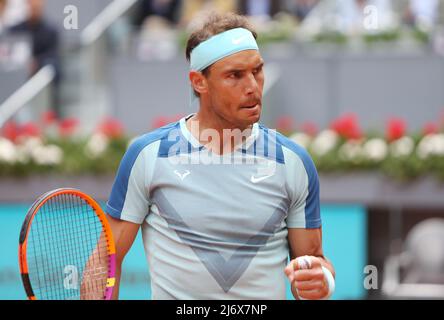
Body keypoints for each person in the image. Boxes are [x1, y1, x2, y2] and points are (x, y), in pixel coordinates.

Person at [105, 12, 335, 300]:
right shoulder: (147, 156)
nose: (252, 86)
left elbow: (313, 262)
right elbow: (104, 263)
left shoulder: (293, 162)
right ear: (199, 82)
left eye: (257, 70)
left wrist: (321, 281)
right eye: (235, 75)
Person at [8, 0, 61, 116]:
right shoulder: (15, 30)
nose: (35, 10)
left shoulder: (50, 31)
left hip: (40, 77)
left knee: (52, 67)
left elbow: (53, 55)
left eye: (38, 7)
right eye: (33, 6)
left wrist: (36, 63)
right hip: (17, 78)